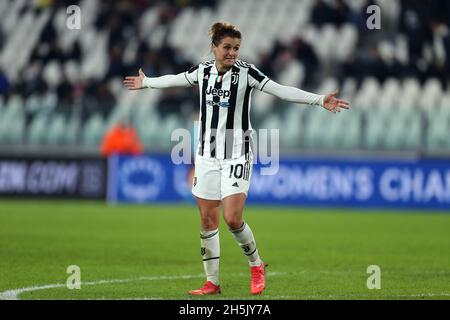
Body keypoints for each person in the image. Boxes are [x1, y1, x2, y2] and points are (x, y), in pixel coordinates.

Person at [123, 22, 349, 295]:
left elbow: (280, 90)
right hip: (206, 153)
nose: (232, 53)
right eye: (227, 47)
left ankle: (256, 265)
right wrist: (146, 82)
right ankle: (212, 282)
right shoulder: (202, 71)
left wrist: (318, 99)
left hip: (237, 151)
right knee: (207, 220)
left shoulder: (246, 73)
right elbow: (176, 78)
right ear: (214, 47)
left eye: (236, 48)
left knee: (231, 218)